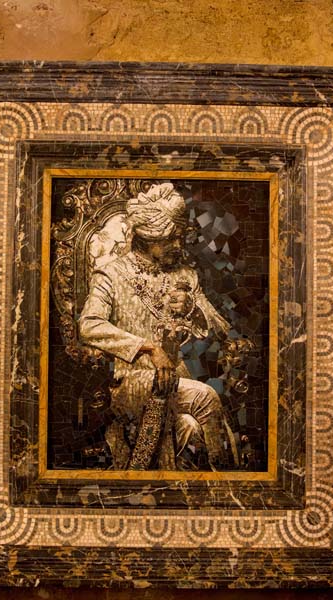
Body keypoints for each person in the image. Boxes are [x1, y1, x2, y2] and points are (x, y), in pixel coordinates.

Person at [79, 182, 240, 471]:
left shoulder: (185, 275)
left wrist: (193, 308)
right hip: (130, 383)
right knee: (206, 397)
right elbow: (89, 325)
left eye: (179, 238)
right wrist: (147, 347)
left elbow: (221, 329)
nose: (177, 246)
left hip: (176, 381)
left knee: (189, 426)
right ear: (145, 238)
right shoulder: (111, 274)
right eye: (169, 240)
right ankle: (228, 481)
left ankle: (194, 487)